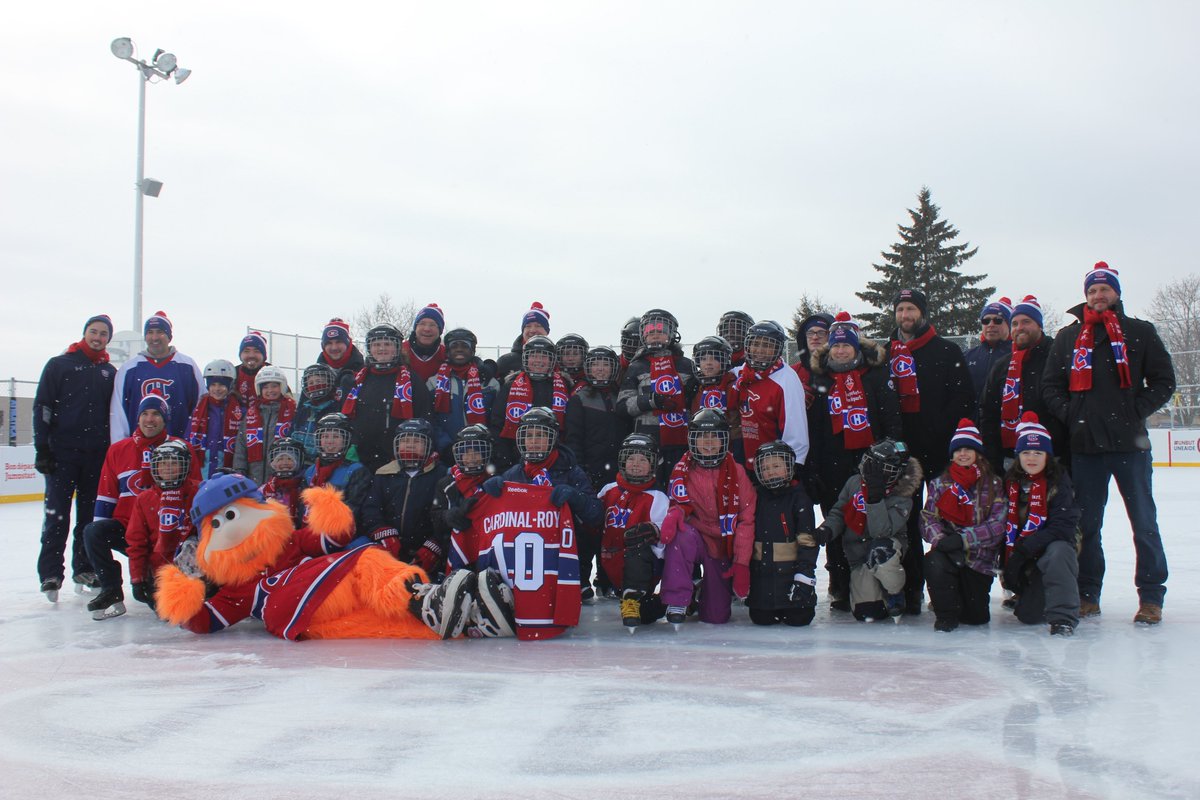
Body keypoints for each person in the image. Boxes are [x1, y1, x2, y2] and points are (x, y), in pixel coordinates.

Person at [1042, 262, 1175, 624]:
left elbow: (1164, 381)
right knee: (1088, 526)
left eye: (1105, 289)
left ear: (1116, 293)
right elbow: (1050, 386)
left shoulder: (1139, 332)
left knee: (1144, 523)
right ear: (1086, 296)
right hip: (1085, 447)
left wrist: (1136, 410)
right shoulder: (1069, 337)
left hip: (1130, 446)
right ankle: (1087, 593)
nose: (1098, 295)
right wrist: (1072, 414)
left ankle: (1151, 597)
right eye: (1092, 290)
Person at [806, 312, 902, 611]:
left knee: (872, 520)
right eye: (836, 346)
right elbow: (816, 428)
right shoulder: (822, 380)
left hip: (870, 460)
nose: (841, 350)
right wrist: (816, 467)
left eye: (847, 345)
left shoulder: (874, 376)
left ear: (857, 347)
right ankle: (839, 583)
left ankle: (879, 584)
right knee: (837, 521)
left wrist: (893, 451)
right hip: (833, 463)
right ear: (829, 349)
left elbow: (891, 419)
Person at [887, 288, 975, 614]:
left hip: (940, 454)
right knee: (906, 524)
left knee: (948, 522)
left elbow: (964, 401)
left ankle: (951, 593)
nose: (905, 315)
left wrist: (951, 440)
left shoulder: (946, 350)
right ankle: (911, 593)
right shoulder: (889, 352)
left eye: (911, 309)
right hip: (903, 457)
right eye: (900, 309)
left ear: (922, 313)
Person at [83, 395, 197, 619]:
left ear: (165, 419)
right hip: (129, 530)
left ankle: (167, 583)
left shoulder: (181, 448)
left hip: (165, 534)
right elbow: (106, 496)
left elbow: (193, 493)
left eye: (156, 414)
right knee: (93, 532)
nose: (149, 419)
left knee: (165, 611)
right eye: (144, 414)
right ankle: (111, 590)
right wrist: (99, 533)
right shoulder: (118, 450)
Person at [33, 314, 117, 600]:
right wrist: (42, 448)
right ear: (84, 333)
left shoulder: (109, 372)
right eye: (93, 331)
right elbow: (42, 407)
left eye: (103, 334)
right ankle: (50, 573)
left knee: (89, 516)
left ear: (108, 339)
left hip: (96, 456)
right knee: (57, 514)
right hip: (62, 453)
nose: (97, 337)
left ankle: (85, 567)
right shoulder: (60, 365)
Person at [658, 409, 757, 626]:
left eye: (715, 436)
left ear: (724, 440)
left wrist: (741, 563)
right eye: (703, 436)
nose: (709, 442)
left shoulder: (737, 471)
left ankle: (702, 590)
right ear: (693, 439)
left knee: (716, 616)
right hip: (696, 535)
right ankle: (677, 599)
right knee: (680, 535)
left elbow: (746, 520)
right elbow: (677, 505)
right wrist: (676, 512)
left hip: (723, 541)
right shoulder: (682, 469)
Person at [816, 439, 923, 621]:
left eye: (882, 468)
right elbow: (839, 512)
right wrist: (826, 529)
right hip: (858, 556)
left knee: (880, 552)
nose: (872, 471)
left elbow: (880, 532)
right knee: (868, 613)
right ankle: (878, 596)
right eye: (871, 464)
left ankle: (895, 592)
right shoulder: (854, 483)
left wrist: (875, 499)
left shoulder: (903, 497)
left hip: (886, 551)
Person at [919, 419, 1007, 632]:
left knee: (975, 618)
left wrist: (963, 540)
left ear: (978, 453)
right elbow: (927, 518)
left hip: (980, 559)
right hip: (948, 553)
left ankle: (962, 601)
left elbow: (997, 525)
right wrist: (942, 540)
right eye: (958, 450)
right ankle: (945, 615)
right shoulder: (939, 483)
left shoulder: (994, 484)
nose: (963, 454)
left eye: (968, 449)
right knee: (934, 562)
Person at [1000, 413, 1082, 636]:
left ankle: (1064, 618)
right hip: (1024, 553)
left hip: (1051, 547)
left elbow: (1062, 528)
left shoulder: (1059, 482)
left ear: (1048, 456)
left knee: (1058, 552)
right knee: (1028, 617)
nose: (1032, 458)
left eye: (1038, 452)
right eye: (1026, 452)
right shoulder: (1010, 482)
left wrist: (1025, 548)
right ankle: (1033, 590)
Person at [565, 346, 628, 597]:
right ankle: (581, 578)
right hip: (590, 471)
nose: (600, 369)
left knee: (612, 526)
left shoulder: (620, 396)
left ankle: (607, 577)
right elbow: (573, 438)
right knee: (586, 528)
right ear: (588, 368)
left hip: (616, 472)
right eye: (595, 365)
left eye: (605, 364)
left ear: (613, 369)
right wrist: (580, 470)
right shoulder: (579, 398)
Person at [978, 295, 1067, 473]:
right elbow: (988, 412)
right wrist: (993, 457)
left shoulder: (1057, 355)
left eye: (1026, 322)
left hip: (1053, 455)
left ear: (1039, 325)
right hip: (1012, 457)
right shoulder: (1003, 364)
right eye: (1015, 323)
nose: (1020, 328)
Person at [597, 433, 670, 629]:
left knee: (639, 541)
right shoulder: (608, 490)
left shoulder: (657, 497)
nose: (636, 464)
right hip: (610, 562)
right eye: (631, 458)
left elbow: (664, 543)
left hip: (642, 568)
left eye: (643, 460)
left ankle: (636, 597)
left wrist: (654, 531)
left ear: (653, 464)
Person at [361, 419, 450, 576]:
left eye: (417, 441)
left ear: (429, 445)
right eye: (405, 440)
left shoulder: (442, 475)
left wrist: (435, 544)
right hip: (387, 548)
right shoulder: (384, 473)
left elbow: (445, 516)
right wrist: (382, 532)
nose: (409, 445)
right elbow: (370, 509)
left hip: (425, 550)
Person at [617, 309, 697, 480]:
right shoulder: (636, 366)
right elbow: (622, 406)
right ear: (643, 335)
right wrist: (650, 401)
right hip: (647, 442)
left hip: (682, 442)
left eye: (660, 331)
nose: (655, 335)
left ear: (671, 334)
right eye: (650, 332)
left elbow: (696, 404)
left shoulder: (687, 365)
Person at [341, 323, 433, 473]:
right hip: (360, 460)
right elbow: (347, 420)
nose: (382, 348)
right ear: (369, 348)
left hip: (399, 461)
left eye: (387, 344)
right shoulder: (357, 380)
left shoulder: (411, 380)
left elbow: (425, 418)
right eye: (377, 344)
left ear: (397, 348)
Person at [124, 440, 200, 615]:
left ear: (185, 467)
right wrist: (138, 579)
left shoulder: (199, 491)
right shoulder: (145, 499)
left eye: (174, 463)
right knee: (167, 613)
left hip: (197, 570)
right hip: (160, 572)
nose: (168, 468)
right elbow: (136, 542)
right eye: (163, 463)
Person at [747, 441, 818, 627]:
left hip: (790, 575)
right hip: (762, 577)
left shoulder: (800, 499)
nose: (771, 471)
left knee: (799, 619)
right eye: (765, 468)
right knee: (761, 619)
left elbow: (807, 541)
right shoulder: (755, 497)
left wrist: (804, 578)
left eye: (776, 466)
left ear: (789, 467)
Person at [109, 310, 203, 442]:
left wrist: (192, 444)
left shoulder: (187, 366)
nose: (154, 337)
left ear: (169, 336)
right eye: (150, 332)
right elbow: (119, 413)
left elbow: (200, 408)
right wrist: (120, 446)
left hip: (177, 448)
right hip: (138, 448)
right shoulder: (129, 369)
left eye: (160, 332)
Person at [733, 320, 809, 471]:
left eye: (767, 345)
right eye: (755, 344)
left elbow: (795, 431)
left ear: (778, 349)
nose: (760, 350)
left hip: (772, 468)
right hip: (746, 461)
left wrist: (790, 467)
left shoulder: (786, 379)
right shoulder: (741, 373)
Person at [490, 335, 570, 470]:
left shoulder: (564, 386)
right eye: (534, 355)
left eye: (544, 356)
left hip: (555, 460)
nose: (538, 360)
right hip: (516, 460)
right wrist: (505, 460)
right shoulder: (510, 386)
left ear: (551, 360)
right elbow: (497, 425)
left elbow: (570, 427)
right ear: (526, 358)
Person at [427, 328, 499, 463]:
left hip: (481, 453)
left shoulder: (489, 383)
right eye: (454, 346)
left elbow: (496, 419)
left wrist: (487, 442)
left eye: (464, 346)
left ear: (473, 350)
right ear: (447, 351)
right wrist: (445, 446)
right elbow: (431, 420)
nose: (459, 350)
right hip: (447, 453)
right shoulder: (433, 383)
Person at [303, 413, 372, 531]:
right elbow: (302, 509)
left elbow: (354, 509)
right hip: (311, 531)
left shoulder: (356, 470)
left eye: (335, 437)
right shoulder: (310, 471)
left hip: (341, 532)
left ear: (345, 440)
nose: (330, 441)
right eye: (325, 437)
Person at [233, 365, 296, 484]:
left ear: (282, 387)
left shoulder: (292, 411)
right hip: (254, 477)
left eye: (274, 386)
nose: (270, 391)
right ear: (259, 389)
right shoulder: (252, 414)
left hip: (282, 476)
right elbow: (241, 444)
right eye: (266, 387)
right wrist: (239, 470)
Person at [187, 359, 237, 478]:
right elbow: (188, 435)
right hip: (203, 463)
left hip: (227, 462)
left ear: (229, 386)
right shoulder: (200, 409)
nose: (217, 389)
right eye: (213, 385)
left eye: (221, 385)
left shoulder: (238, 410)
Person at [964, 297, 1013, 415]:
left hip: (1003, 425)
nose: (991, 325)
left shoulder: (1017, 356)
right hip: (971, 426)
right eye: (986, 321)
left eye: (998, 320)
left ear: (1009, 325)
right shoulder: (967, 356)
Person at [292, 363, 342, 462]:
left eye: (319, 381)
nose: (315, 385)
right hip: (298, 464)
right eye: (311, 383)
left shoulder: (336, 410)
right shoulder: (303, 411)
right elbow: (292, 433)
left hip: (322, 463)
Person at [495, 301, 552, 381]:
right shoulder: (506, 361)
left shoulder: (558, 361)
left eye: (538, 326)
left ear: (547, 331)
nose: (532, 330)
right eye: (528, 326)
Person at [261, 437, 308, 527]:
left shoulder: (304, 487)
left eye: (290, 459)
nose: (285, 462)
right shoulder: (266, 489)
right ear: (273, 464)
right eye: (280, 459)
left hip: (298, 533)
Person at [792, 312, 834, 410]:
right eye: (810, 333)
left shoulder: (841, 369)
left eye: (821, 332)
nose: (815, 337)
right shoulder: (793, 372)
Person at [316, 318, 364, 401]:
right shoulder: (315, 373)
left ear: (348, 343)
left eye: (338, 342)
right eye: (329, 343)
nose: (334, 347)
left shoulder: (363, 372)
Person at [403, 303, 448, 383]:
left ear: (440, 330)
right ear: (415, 328)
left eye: (432, 325)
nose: (427, 329)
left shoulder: (446, 355)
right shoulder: (401, 350)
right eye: (422, 324)